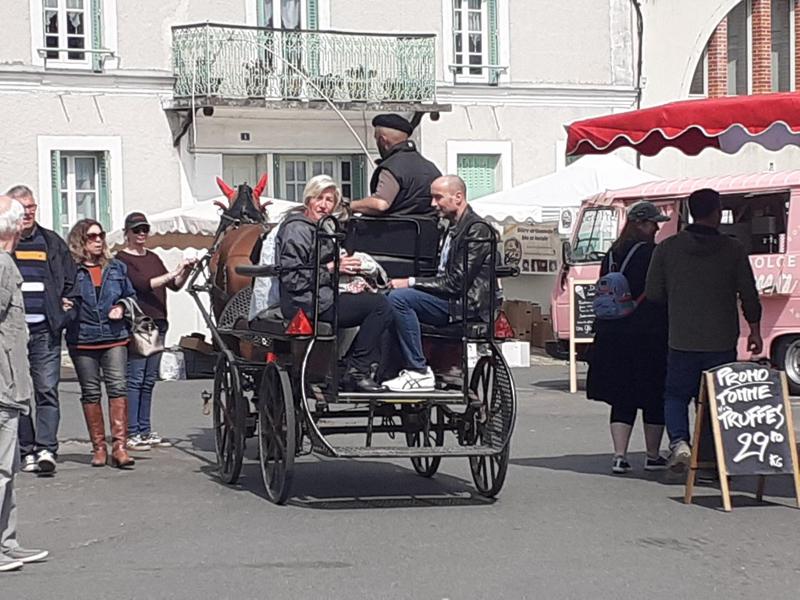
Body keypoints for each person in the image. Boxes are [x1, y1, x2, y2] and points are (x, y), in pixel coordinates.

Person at [645, 188, 762, 473]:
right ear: (717, 212)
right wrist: (755, 331)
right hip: (721, 339)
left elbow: (653, 293)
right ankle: (713, 459)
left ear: (690, 211)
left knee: (675, 394)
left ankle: (680, 443)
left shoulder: (667, 248)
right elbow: (749, 293)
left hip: (682, 336)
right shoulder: (733, 249)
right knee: (718, 399)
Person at [275, 175, 392, 392]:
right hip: (306, 303)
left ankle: (352, 364)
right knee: (380, 307)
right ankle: (355, 369)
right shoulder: (298, 229)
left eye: (330, 200)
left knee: (380, 302)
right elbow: (293, 277)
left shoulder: (322, 228)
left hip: (323, 296)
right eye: (319, 198)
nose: (324, 205)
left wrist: (351, 282)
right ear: (308, 200)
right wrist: (331, 269)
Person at [384, 175, 497, 392]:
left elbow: (457, 283)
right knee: (384, 301)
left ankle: (418, 370)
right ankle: (384, 369)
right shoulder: (451, 228)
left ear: (458, 197)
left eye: (438, 197)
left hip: (464, 305)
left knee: (399, 299)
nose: (432, 204)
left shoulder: (477, 230)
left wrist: (410, 282)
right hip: (449, 299)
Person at [585, 201, 670, 474]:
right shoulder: (651, 253)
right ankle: (653, 455)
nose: (656, 227)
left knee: (621, 396)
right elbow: (658, 292)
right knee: (653, 393)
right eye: (652, 222)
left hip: (610, 331)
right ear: (640, 224)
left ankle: (619, 456)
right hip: (646, 332)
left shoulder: (611, 252)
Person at [6, 185, 76, 475]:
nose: (29, 212)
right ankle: (26, 450)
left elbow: (70, 279)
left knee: (47, 389)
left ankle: (46, 447)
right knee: (18, 394)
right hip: (13, 332)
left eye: (32, 206)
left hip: (45, 328)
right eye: (23, 207)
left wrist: (66, 310)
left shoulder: (51, 242)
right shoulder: (5, 243)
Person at [116, 212, 195, 451]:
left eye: (144, 229)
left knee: (150, 379)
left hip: (160, 321)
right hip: (141, 322)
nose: (141, 234)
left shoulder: (154, 257)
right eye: (137, 230)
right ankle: (132, 431)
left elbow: (174, 285)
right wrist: (175, 270)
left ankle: (144, 428)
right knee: (136, 377)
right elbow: (143, 284)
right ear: (127, 233)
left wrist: (187, 270)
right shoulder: (122, 259)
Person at [0, 195, 49, 572]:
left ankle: (8, 542)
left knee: (9, 469)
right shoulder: (2, 264)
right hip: (3, 383)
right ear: (14, 226)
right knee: (1, 470)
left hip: (12, 384)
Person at [66, 219, 137, 468]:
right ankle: (98, 448)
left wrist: (121, 306)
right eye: (92, 237)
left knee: (118, 388)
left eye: (100, 236)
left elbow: (130, 295)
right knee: (91, 392)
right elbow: (62, 297)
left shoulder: (117, 267)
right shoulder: (71, 271)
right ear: (80, 241)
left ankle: (120, 447)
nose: (98, 241)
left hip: (114, 337)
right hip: (82, 338)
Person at [349, 114, 441, 217]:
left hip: (394, 231)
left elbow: (381, 203)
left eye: (376, 139)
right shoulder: (432, 168)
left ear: (382, 140)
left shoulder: (391, 168)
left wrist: (351, 205)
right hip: (429, 231)